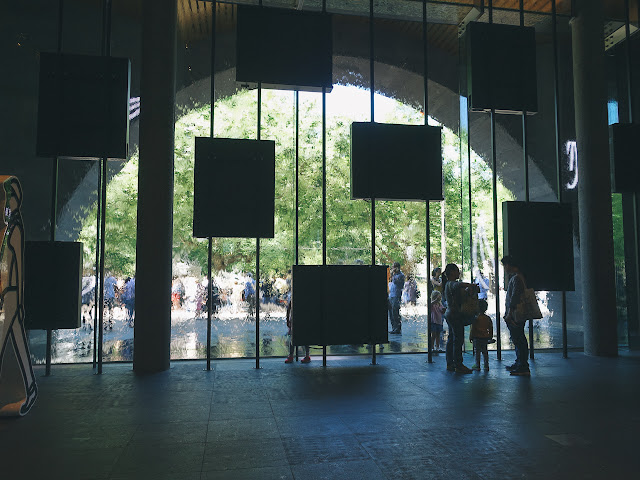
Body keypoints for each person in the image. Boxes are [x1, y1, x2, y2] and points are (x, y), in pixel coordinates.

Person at [442, 263, 479, 374]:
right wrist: (471, 285)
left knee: (452, 339)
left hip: (450, 314)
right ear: (452, 272)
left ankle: (450, 363)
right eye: (457, 270)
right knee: (458, 340)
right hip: (455, 315)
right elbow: (457, 286)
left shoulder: (448, 284)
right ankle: (458, 364)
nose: (459, 273)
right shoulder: (451, 283)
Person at [501, 256, 530, 376]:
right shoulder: (518, 277)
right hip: (516, 313)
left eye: (505, 265)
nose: (504, 268)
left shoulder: (517, 278)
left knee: (518, 339)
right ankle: (520, 363)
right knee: (518, 338)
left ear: (509, 264)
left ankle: (522, 366)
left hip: (516, 314)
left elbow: (514, 298)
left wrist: (509, 313)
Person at [284, 295, 310, 364]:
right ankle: (307, 355)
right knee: (303, 338)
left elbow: (289, 309)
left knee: (293, 338)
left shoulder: (295, 296)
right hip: (300, 320)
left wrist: (288, 320)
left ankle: (291, 355)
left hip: (296, 320)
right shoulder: (302, 296)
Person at [470, 299, 493, 371]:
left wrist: (471, 336)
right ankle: (486, 365)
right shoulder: (487, 318)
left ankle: (477, 365)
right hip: (485, 337)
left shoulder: (476, 318)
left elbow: (473, 328)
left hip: (477, 337)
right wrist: (490, 336)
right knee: (485, 351)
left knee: (477, 351)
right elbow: (490, 328)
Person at [388, 262, 405, 334]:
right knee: (391, 312)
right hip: (391, 295)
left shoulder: (400, 275)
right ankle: (394, 327)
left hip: (396, 295)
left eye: (394, 267)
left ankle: (397, 328)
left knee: (395, 312)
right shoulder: (394, 275)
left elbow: (396, 282)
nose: (393, 269)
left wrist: (393, 274)